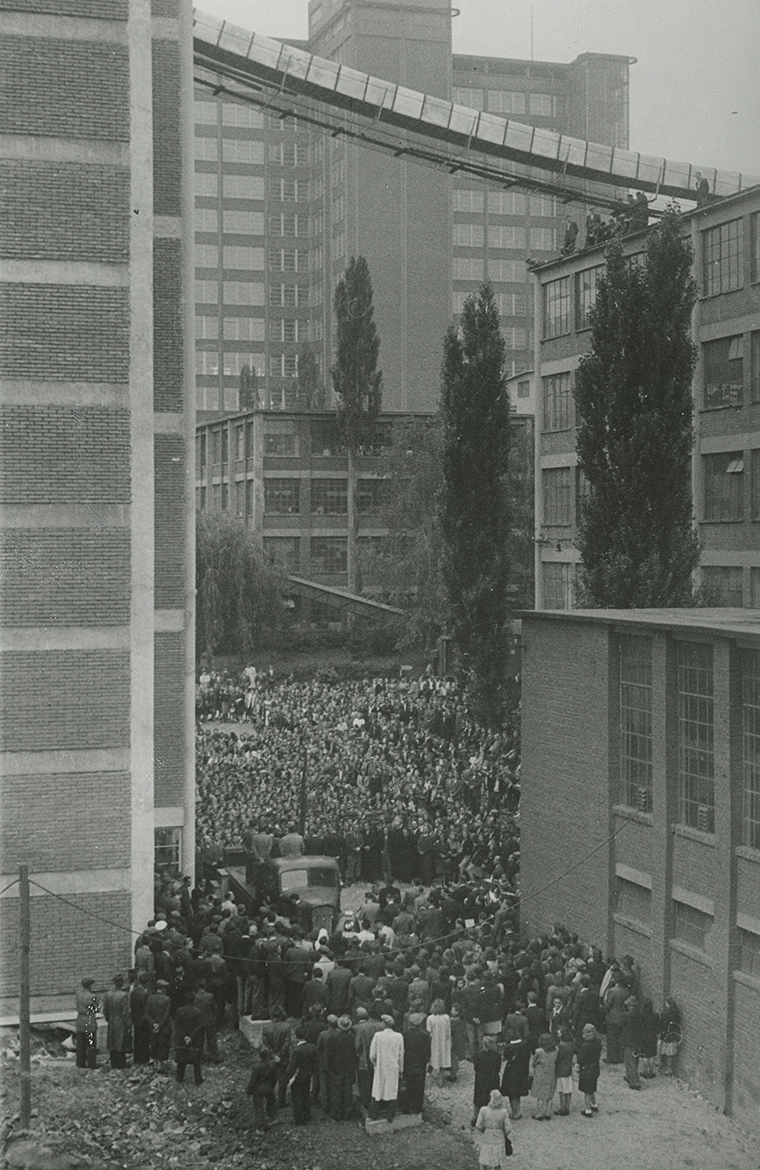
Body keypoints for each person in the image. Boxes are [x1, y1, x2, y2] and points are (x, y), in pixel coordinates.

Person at [369, 1015, 404, 1123]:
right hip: (393, 1067)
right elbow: (401, 1055)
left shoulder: (378, 1036)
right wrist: (401, 1069)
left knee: (378, 1089)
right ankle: (390, 1115)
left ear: (384, 1024)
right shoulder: (399, 1036)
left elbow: (372, 1054)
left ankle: (374, 1114)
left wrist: (375, 1063)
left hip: (380, 1066)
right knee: (391, 1090)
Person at [328, 1016, 357, 1121]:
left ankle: (337, 1113)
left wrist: (330, 1065)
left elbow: (330, 1054)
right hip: (349, 1067)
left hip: (337, 1067)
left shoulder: (334, 1037)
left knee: (336, 1090)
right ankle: (347, 1112)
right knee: (347, 1090)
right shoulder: (353, 1037)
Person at [474, 1088, 513, 1168]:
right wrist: (503, 1133)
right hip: (499, 1140)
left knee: (484, 1161)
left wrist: (484, 1130)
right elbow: (508, 1128)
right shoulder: (504, 1112)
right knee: (498, 1163)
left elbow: (478, 1125)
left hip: (487, 1138)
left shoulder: (483, 1110)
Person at [287, 1026, 318, 1126]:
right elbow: (315, 1062)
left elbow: (292, 1066)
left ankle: (300, 1119)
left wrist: (287, 1077)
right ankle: (307, 1114)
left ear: (296, 1037)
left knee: (297, 1098)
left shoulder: (296, 1051)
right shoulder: (312, 1047)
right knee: (306, 1095)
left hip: (298, 1076)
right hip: (308, 1075)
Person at [403, 1012, 431, 1113]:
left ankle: (406, 1106)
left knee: (408, 1086)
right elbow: (427, 1052)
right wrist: (425, 1061)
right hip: (420, 1065)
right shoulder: (425, 1035)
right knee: (419, 1087)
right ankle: (417, 1107)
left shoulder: (404, 1034)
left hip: (408, 1064)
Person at [102, 973, 131, 1070]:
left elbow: (105, 1009)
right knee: (120, 1040)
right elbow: (125, 1012)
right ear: (121, 983)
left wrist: (108, 1018)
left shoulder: (108, 994)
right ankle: (121, 1063)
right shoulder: (123, 995)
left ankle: (113, 1062)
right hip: (120, 1020)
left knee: (112, 1041)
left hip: (111, 1019)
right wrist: (128, 1025)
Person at [174, 991, 203, 1085]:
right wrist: (191, 1037)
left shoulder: (179, 1010)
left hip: (182, 1038)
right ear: (194, 1000)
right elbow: (198, 1027)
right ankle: (197, 1079)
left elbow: (177, 1025)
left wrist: (184, 1036)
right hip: (193, 1038)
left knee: (181, 1057)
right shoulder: (197, 1012)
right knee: (196, 1059)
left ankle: (179, 1077)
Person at [247, 1044, 278, 1132]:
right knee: (271, 1102)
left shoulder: (256, 1067)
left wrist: (248, 1091)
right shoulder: (272, 1064)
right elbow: (274, 1077)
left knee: (258, 1108)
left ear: (259, 1055)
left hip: (258, 1090)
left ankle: (260, 1127)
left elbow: (252, 1081)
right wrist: (272, 1086)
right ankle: (272, 1118)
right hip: (269, 1087)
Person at [472, 1036, 501, 1126]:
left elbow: (475, 1067)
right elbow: (497, 1069)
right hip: (492, 1078)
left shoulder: (478, 1054)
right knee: (492, 1099)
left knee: (478, 1099)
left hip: (481, 1078)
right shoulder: (497, 1055)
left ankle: (475, 1118)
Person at [500, 1036, 531, 1120]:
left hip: (512, 1071)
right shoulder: (525, 1045)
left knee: (512, 1093)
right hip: (522, 1070)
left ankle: (514, 1113)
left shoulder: (509, 1047)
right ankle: (518, 1111)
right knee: (518, 1092)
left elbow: (503, 1059)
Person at [145, 979, 172, 1074]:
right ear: (163, 988)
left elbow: (147, 1014)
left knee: (154, 1044)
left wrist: (153, 1024)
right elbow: (167, 1014)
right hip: (163, 1027)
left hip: (153, 1027)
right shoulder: (167, 999)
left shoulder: (150, 998)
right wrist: (160, 1025)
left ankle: (155, 1064)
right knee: (162, 1045)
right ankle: (160, 1066)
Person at [530, 1032, 557, 1120]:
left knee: (540, 1096)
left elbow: (533, 1061)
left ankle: (539, 1113)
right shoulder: (556, 1050)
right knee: (549, 1095)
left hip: (541, 1075)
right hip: (551, 1074)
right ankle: (548, 1113)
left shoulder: (539, 1051)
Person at [577, 1022, 602, 1115]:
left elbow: (581, 1059)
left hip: (586, 1070)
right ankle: (594, 1104)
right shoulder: (598, 1043)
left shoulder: (585, 1046)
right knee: (591, 1088)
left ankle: (588, 1109)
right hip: (595, 1068)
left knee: (586, 1091)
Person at [426, 998, 452, 1087]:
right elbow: (448, 1030)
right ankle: (441, 1077)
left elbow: (428, 1031)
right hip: (444, 1040)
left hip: (434, 1041)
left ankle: (434, 1074)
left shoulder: (430, 1018)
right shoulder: (446, 1017)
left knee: (435, 1057)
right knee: (443, 1057)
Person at [75, 977, 99, 1070]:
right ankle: (92, 1063)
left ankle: (80, 1062)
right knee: (91, 1043)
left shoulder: (78, 994)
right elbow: (97, 1009)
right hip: (89, 1020)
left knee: (80, 1043)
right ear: (90, 985)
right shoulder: (92, 996)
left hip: (80, 1020)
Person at [621, 995, 642, 1090]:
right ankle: (630, 1076)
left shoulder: (625, 1015)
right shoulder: (640, 1015)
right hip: (638, 1040)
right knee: (635, 1060)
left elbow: (620, 1025)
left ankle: (634, 1081)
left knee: (629, 1060)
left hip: (628, 1041)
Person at [130, 972, 151, 1066]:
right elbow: (145, 1008)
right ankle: (143, 1058)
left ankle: (137, 1057)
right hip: (143, 1019)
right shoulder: (144, 994)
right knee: (144, 1039)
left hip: (135, 1018)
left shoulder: (134, 991)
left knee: (137, 1039)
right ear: (146, 983)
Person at [658, 997, 682, 1076]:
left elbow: (662, 1024)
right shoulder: (677, 1013)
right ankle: (669, 1069)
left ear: (667, 1004)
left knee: (664, 1051)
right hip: (674, 1034)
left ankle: (663, 1067)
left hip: (666, 1034)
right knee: (670, 1053)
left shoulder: (665, 1013)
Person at [555, 1026, 574, 1115]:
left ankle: (563, 1108)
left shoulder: (562, 1046)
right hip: (568, 1069)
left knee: (562, 1090)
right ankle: (567, 1107)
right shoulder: (571, 1044)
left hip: (561, 1070)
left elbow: (558, 1058)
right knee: (568, 1089)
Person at [638, 998, 659, 1078]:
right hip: (653, 1037)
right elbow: (658, 1027)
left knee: (645, 1055)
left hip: (643, 1037)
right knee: (651, 1055)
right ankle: (651, 1072)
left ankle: (645, 1072)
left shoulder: (641, 1016)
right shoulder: (655, 1015)